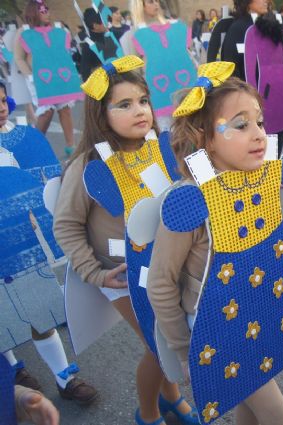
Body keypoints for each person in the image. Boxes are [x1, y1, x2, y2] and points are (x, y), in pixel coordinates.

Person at [149, 64, 283, 424]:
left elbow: (275, 244)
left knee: (247, 407)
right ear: (205, 137)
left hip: (256, 311)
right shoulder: (193, 199)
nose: (258, 134)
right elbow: (160, 282)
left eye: (260, 122)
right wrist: (186, 350)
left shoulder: (259, 181)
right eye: (240, 124)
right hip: (217, 329)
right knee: (277, 413)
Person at [53, 58, 198, 425]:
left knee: (167, 334)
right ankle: (147, 415)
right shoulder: (87, 165)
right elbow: (66, 226)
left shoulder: (164, 145)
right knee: (161, 343)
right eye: (124, 104)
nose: (140, 110)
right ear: (101, 115)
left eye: (144, 101)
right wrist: (97, 275)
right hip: (122, 276)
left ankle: (172, 400)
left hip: (167, 265)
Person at [0, 79, 99, 407]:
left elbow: (41, 183)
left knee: (38, 309)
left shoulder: (19, 139)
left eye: (3, 100)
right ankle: (13, 367)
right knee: (3, 316)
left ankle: (64, 376)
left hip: (21, 246)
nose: (1, 108)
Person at [13, 0, 82, 156]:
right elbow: (19, 57)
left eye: (47, 10)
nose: (47, 13)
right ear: (33, 13)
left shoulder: (58, 30)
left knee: (65, 109)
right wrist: (29, 75)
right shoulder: (24, 32)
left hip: (60, 76)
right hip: (38, 79)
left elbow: (63, 51)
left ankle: (71, 145)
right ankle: (36, 146)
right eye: (42, 11)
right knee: (47, 112)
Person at [242, 5, 283, 157]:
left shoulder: (252, 32)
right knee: (280, 132)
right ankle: (273, 168)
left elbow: (249, 67)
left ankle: (269, 171)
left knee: (268, 132)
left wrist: (251, 96)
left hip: (267, 89)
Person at [125, 0, 197, 130]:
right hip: (159, 94)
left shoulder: (179, 27)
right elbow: (135, 71)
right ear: (141, 6)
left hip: (186, 85)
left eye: (157, 1)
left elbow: (190, 55)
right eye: (151, 2)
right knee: (169, 134)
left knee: (195, 127)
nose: (156, 4)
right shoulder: (137, 35)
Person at [79, 7, 123, 81]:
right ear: (95, 25)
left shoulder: (113, 35)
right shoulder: (88, 46)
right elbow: (85, 72)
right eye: (103, 21)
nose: (107, 22)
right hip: (105, 82)